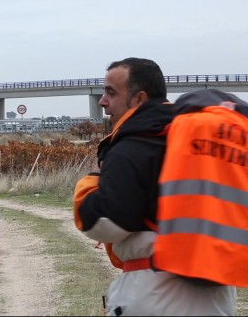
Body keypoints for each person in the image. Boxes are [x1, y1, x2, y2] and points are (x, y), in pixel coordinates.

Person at [73, 57, 237, 316]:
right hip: (217, 294)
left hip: (156, 292)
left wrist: (92, 180)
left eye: (110, 93)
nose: (102, 102)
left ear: (139, 99)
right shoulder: (201, 140)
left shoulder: (134, 144)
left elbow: (105, 223)